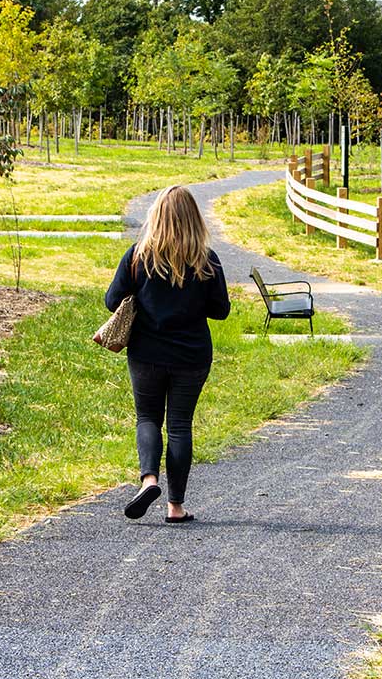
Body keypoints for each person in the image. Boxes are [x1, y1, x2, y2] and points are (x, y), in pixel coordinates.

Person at [105, 185, 230, 523]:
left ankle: (148, 480)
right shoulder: (208, 260)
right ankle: (175, 507)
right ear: (194, 219)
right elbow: (221, 311)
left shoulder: (137, 256)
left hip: (146, 353)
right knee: (179, 425)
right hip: (191, 356)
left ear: (156, 216)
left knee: (147, 418)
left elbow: (111, 300)